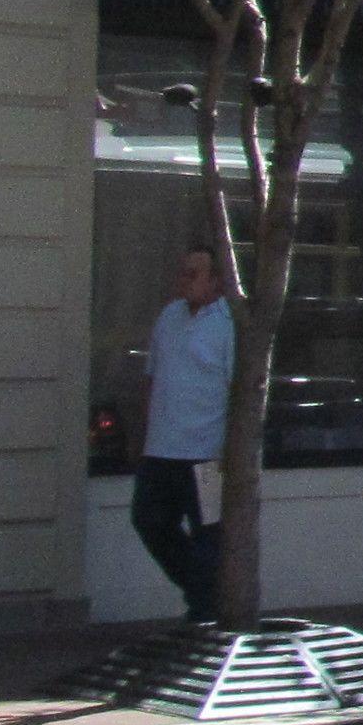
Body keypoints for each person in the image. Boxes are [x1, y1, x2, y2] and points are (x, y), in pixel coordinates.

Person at [132, 244, 234, 621]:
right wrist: (142, 436)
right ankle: (204, 592)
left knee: (208, 535)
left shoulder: (228, 324)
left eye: (194, 274)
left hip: (207, 456)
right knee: (149, 521)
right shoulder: (169, 316)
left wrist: (231, 453)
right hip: (161, 450)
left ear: (216, 281)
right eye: (182, 272)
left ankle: (204, 612)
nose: (184, 281)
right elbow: (152, 378)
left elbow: (239, 391)